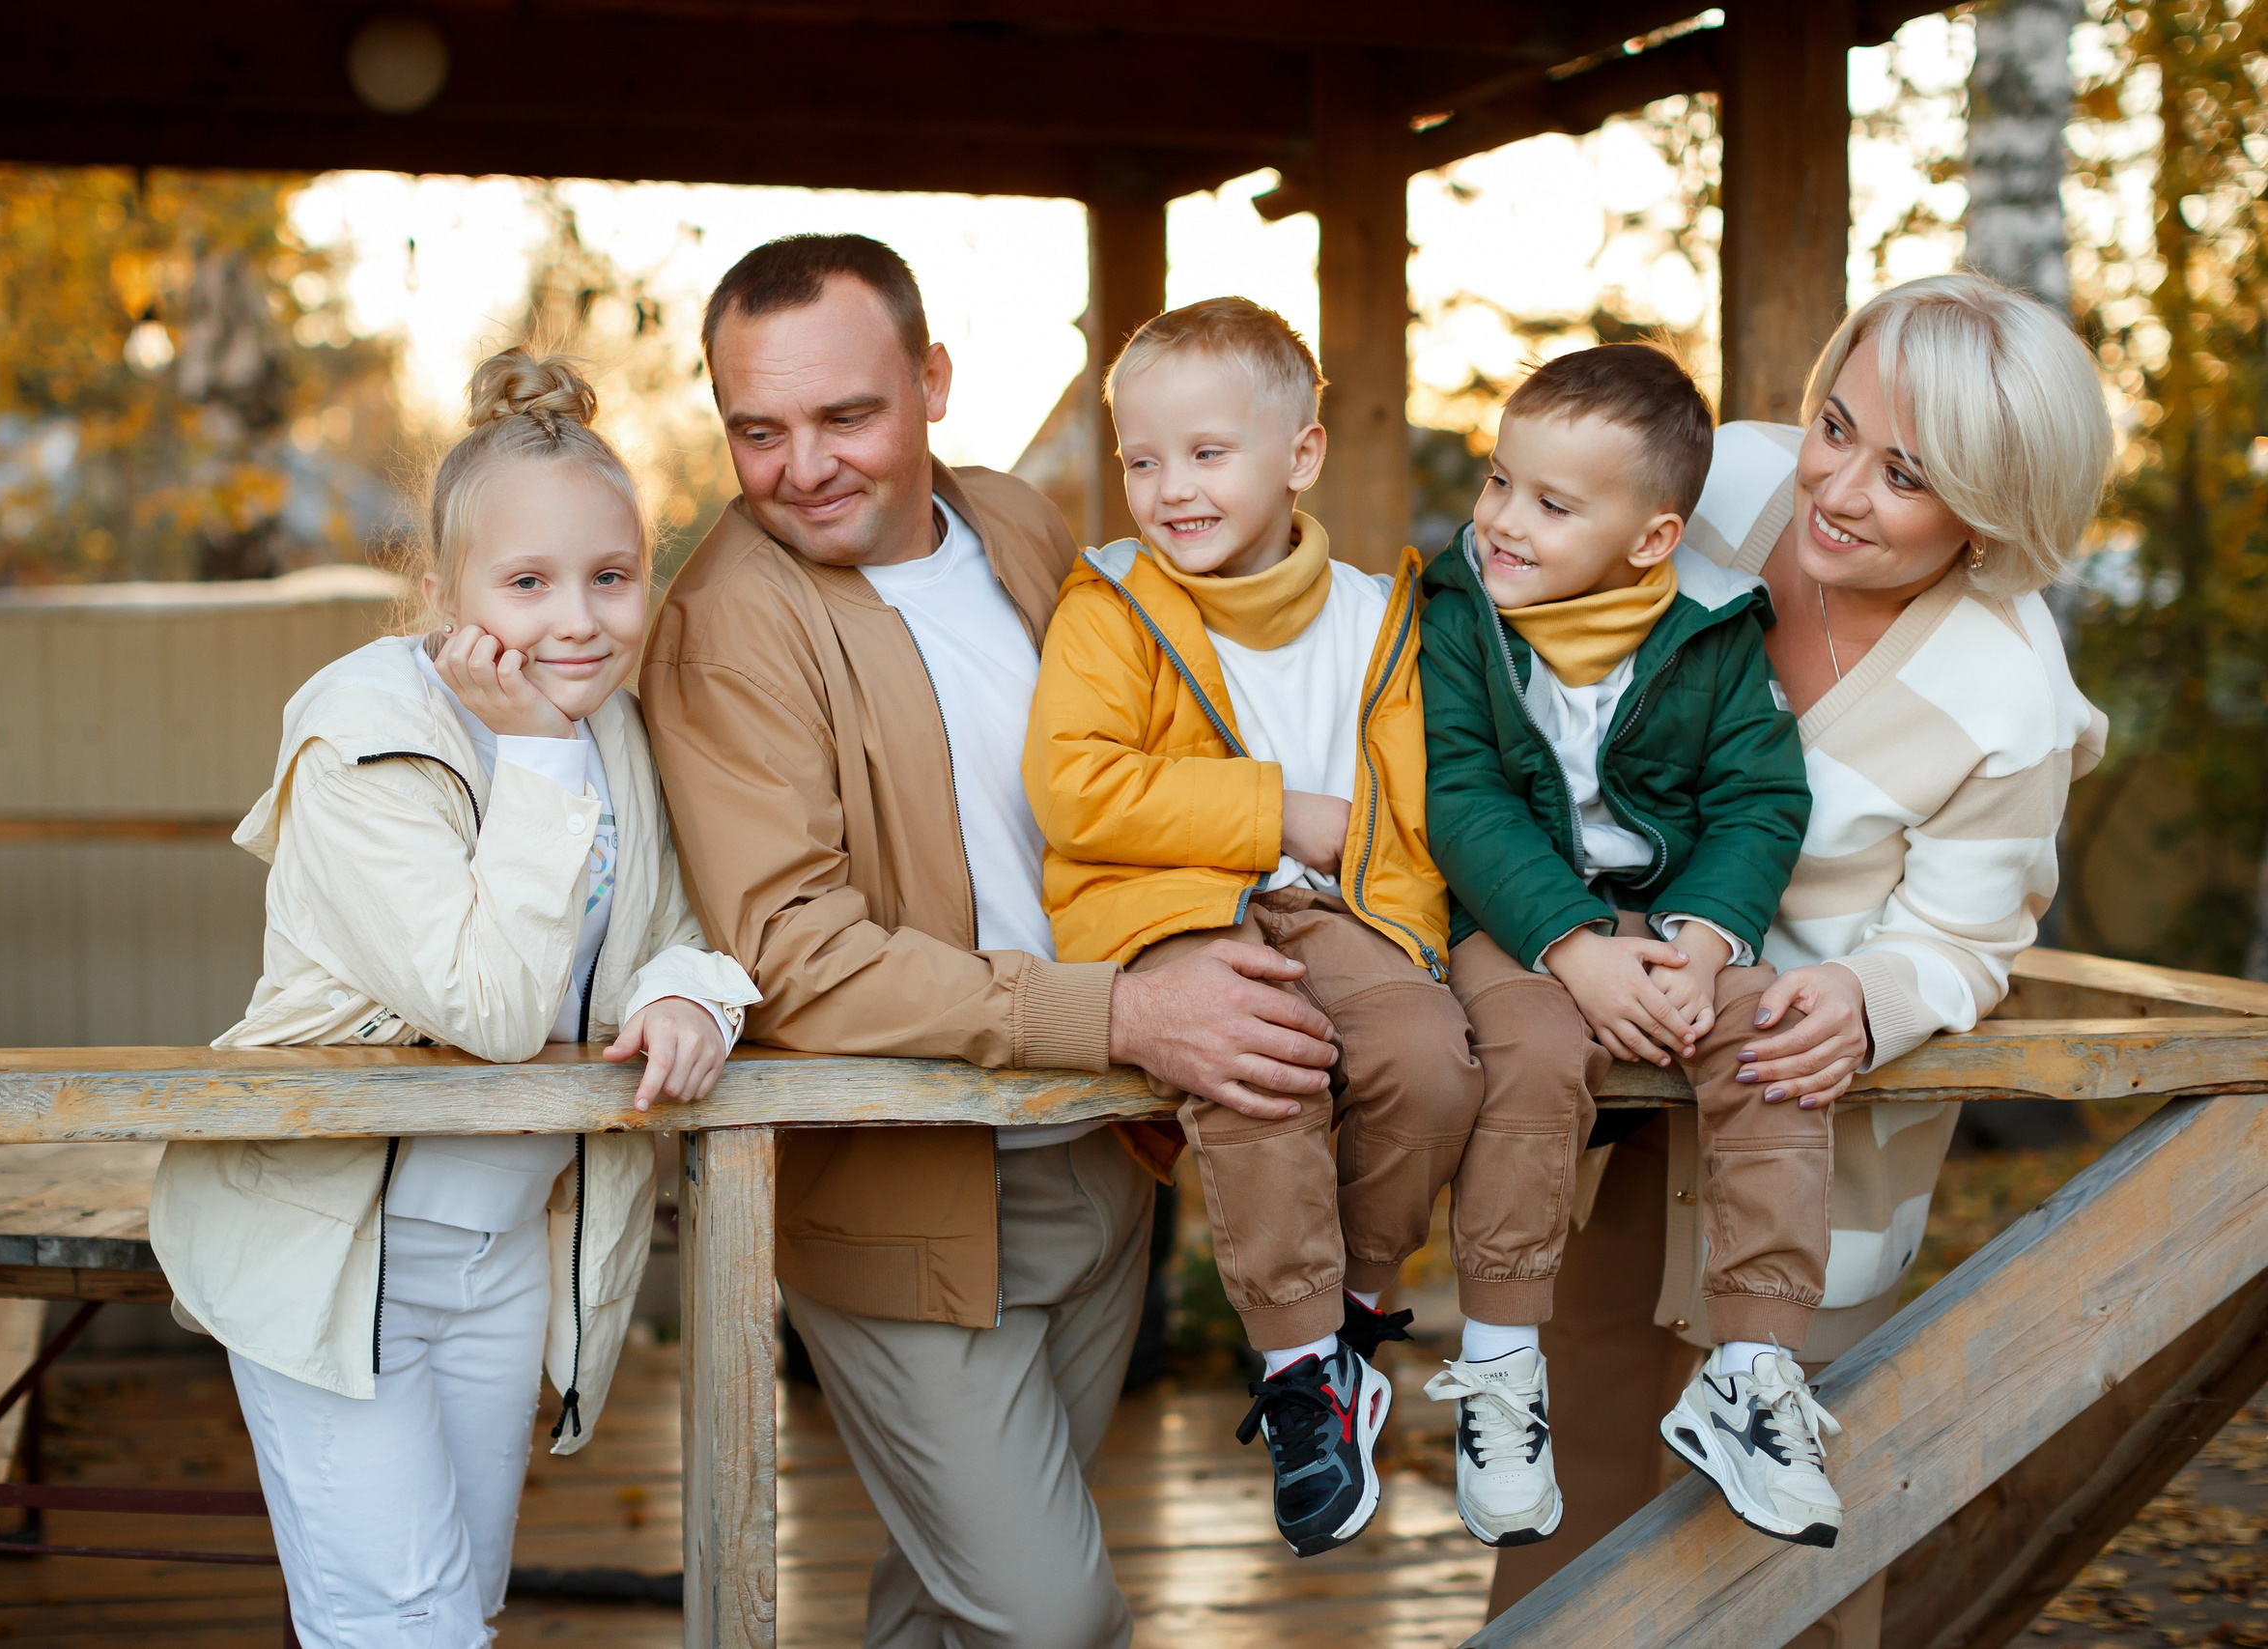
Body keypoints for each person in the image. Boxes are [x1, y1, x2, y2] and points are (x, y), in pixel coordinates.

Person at [638, 236, 1344, 1649]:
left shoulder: (1020, 525)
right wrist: (1126, 1013)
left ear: (934, 382)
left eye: (847, 415)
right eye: (757, 430)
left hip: (1103, 1154)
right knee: (1047, 1612)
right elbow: (795, 953)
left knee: (950, 1595)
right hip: (910, 1201)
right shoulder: (725, 627)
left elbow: (1148, 763)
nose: (803, 466)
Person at [1484, 275, 2112, 1648]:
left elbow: (1967, 938)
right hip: (1614, 1083)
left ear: (1992, 509)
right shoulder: (1720, 489)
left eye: (1906, 474)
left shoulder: (2009, 692)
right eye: (1837, 426)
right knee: (1564, 1490)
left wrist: (1865, 998)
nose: (1836, 486)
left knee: (1775, 1559)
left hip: (1803, 1132)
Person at [151, 350, 759, 1647]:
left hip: (504, 1252)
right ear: (441, 594)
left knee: (460, 1605)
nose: (578, 620)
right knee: (404, 1625)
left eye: (611, 576)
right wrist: (534, 754)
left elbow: (671, 931)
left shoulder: (615, 733)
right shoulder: (365, 737)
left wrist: (691, 998)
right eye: (527, 583)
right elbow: (490, 1008)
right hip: (339, 1248)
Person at [1023, 297, 1473, 1557]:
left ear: (1301, 454)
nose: (1170, 488)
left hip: (1342, 907)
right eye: (1142, 460)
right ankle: (1293, 1367)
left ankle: (1355, 1322)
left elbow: (1421, 805)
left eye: (1207, 453)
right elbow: (1075, 786)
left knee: (1430, 1060)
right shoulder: (1113, 606)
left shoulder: (1381, 616)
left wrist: (1405, 928)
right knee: (1255, 1050)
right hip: (1168, 900)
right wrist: (1284, 811)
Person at [1418, 341, 1820, 1547]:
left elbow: (1759, 798)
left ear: (1651, 539)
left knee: (1773, 1044)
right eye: (1499, 481)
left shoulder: (1713, 627)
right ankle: (1500, 1362)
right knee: (1532, 1057)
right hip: (1518, 920)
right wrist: (1569, 942)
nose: (1504, 519)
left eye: (1552, 504)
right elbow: (1461, 796)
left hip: (1674, 915)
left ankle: (1752, 1367)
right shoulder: (1458, 613)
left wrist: (1703, 942)